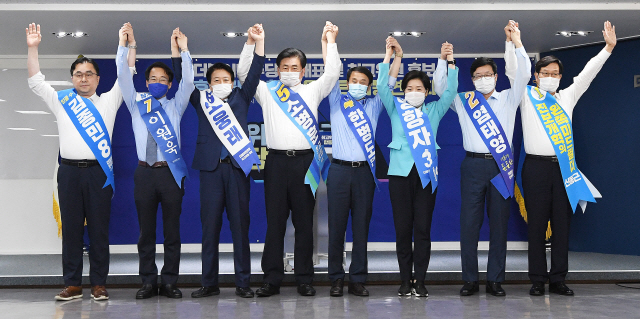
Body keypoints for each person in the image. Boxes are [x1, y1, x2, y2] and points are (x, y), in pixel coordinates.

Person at [26, 22, 135, 301]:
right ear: (72, 79)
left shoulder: (109, 101)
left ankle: (99, 283)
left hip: (98, 174)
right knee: (72, 231)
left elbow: (127, 74)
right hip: (69, 174)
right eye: (78, 74)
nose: (83, 79)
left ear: (98, 79)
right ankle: (72, 284)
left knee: (99, 232)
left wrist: (127, 46)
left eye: (89, 74)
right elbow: (36, 81)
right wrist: (33, 48)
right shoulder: (62, 101)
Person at [236, 21, 341, 297]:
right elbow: (244, 72)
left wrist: (330, 41)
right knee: (275, 223)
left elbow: (332, 73)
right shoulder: (268, 91)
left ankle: (304, 278)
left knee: (305, 223)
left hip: (306, 163)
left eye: (295, 68)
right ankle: (271, 279)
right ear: (277, 69)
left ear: (303, 71)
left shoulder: (312, 90)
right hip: (277, 164)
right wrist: (253, 42)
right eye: (285, 67)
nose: (290, 72)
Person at [511, 21, 613, 297]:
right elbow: (515, 71)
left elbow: (587, 75)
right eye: (546, 73)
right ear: (536, 76)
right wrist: (517, 43)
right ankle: (537, 280)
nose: (551, 77)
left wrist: (608, 48)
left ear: (560, 77)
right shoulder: (526, 96)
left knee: (561, 226)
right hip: (535, 169)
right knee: (536, 227)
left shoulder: (567, 97)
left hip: (564, 170)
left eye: (555, 73)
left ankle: (558, 279)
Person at [433, 21, 531, 297]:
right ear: (473, 79)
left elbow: (524, 74)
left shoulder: (511, 98)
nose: (483, 78)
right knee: (469, 224)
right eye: (478, 75)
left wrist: (517, 43)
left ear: (496, 77)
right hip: (473, 165)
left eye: (488, 74)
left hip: (501, 167)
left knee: (499, 225)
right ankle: (470, 280)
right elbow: (441, 89)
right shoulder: (465, 100)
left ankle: (495, 280)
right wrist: (444, 62)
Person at [171, 24, 265, 299]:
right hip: (210, 171)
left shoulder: (242, 97)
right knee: (209, 230)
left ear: (233, 83)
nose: (222, 83)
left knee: (240, 230)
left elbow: (256, 69)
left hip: (237, 171)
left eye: (226, 79)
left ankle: (243, 284)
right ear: (209, 83)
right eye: (217, 80)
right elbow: (181, 78)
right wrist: (179, 50)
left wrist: (257, 42)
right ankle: (209, 283)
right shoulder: (201, 100)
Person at [116, 23, 194, 299]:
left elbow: (190, 83)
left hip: (170, 173)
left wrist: (184, 50)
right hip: (144, 174)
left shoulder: (176, 104)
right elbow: (123, 74)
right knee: (145, 233)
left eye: (163, 79)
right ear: (146, 82)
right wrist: (127, 45)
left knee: (172, 233)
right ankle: (148, 281)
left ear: (169, 84)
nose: (158, 82)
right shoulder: (137, 102)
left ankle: (170, 281)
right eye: (153, 78)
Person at [377, 37, 458, 297]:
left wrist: (449, 61)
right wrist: (390, 57)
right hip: (399, 176)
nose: (414, 91)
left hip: (426, 177)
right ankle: (404, 280)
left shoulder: (434, 110)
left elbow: (451, 92)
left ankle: (420, 281)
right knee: (402, 229)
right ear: (404, 91)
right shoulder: (395, 108)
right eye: (409, 87)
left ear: (426, 91)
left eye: (419, 88)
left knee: (422, 230)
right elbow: (381, 86)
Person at [322, 34, 400, 297]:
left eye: (362, 82)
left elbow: (387, 82)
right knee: (336, 227)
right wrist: (328, 42)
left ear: (368, 87)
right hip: (339, 171)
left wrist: (392, 56)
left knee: (361, 229)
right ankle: (335, 278)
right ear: (347, 83)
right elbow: (330, 69)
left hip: (365, 173)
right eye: (353, 81)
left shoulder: (375, 104)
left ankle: (357, 279)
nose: (357, 85)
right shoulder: (336, 100)